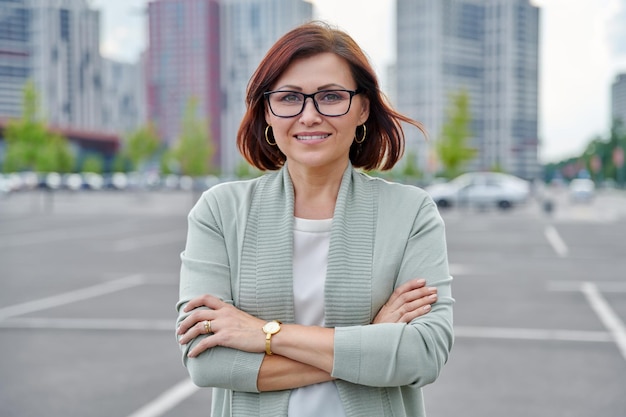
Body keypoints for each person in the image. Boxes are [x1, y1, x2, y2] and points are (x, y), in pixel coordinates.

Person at [176, 21, 454, 417]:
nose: (309, 115)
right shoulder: (220, 211)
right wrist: (372, 343)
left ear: (362, 108)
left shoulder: (410, 213)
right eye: (289, 98)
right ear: (266, 112)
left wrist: (265, 335)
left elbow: (422, 355)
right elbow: (207, 362)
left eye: (331, 96)